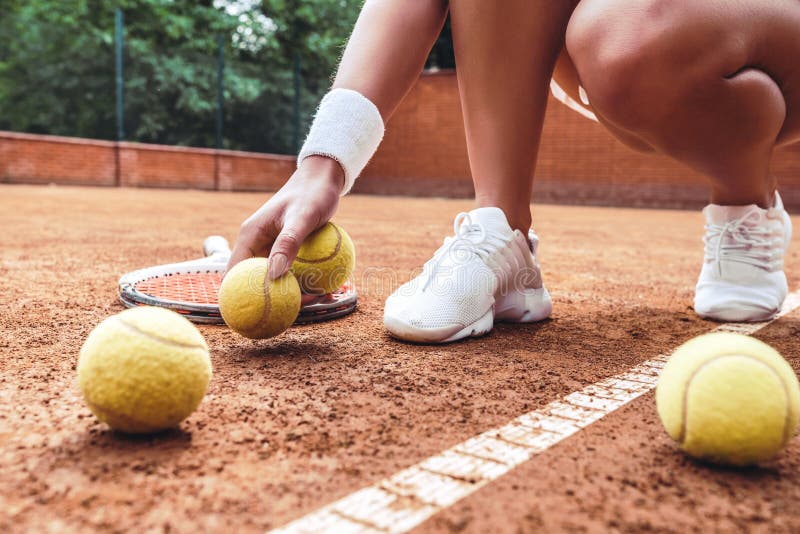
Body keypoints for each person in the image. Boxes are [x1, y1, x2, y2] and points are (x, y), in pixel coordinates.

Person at [228, 0, 797, 343]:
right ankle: (504, 234)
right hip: (598, 36)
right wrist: (325, 164)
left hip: (750, 27)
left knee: (629, 37)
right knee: (616, 35)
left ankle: (746, 203)